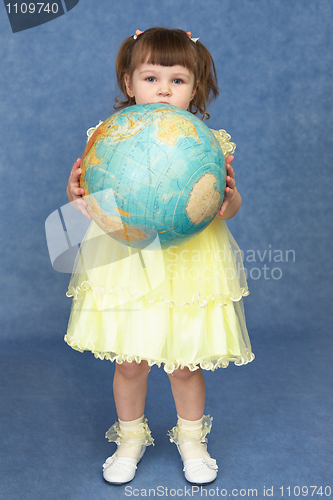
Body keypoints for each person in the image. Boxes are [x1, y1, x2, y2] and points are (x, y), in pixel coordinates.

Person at [65, 27, 254, 486]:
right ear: (129, 85)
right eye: (151, 78)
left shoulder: (208, 142)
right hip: (128, 259)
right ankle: (129, 439)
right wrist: (75, 199)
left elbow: (228, 206)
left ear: (196, 89)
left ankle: (192, 440)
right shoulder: (110, 138)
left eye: (178, 79)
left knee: (184, 363)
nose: (164, 88)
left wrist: (226, 199)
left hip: (190, 265)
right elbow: (92, 196)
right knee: (130, 361)